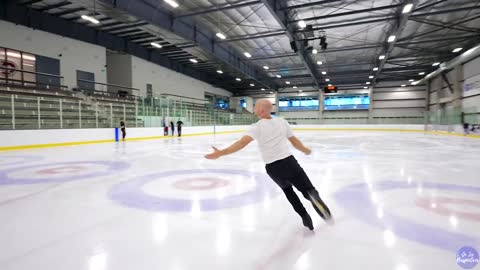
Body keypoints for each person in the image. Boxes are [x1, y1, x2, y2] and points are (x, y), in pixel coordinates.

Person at [204, 99, 332, 230]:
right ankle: (313, 196)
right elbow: (294, 142)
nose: (253, 108)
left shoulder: (256, 127)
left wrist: (221, 153)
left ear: (261, 110)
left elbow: (241, 143)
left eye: (255, 106)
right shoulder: (282, 122)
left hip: (273, 168)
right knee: (308, 189)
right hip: (289, 163)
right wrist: (305, 150)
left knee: (288, 191)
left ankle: (304, 216)